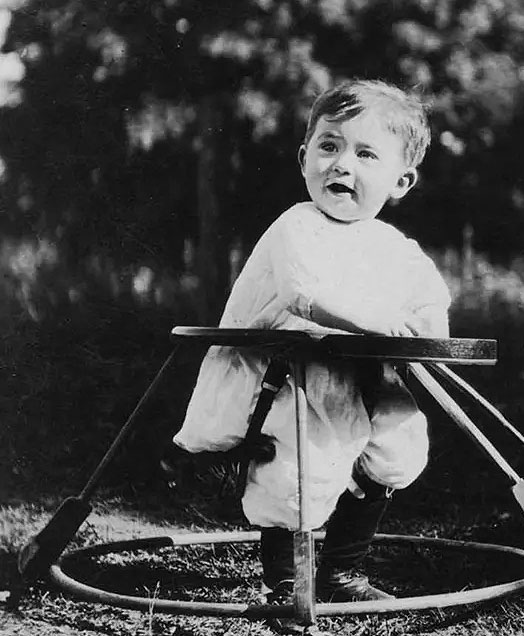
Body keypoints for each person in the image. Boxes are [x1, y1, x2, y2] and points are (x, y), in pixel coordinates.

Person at [172, 79, 451, 605]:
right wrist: (375, 320)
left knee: (396, 447)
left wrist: (428, 329)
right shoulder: (297, 226)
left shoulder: (391, 245)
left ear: (401, 181)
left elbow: (427, 297)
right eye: (329, 146)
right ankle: (283, 582)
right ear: (304, 159)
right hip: (285, 376)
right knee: (297, 468)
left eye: (365, 154)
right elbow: (303, 295)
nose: (341, 164)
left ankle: (343, 571)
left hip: (361, 372)